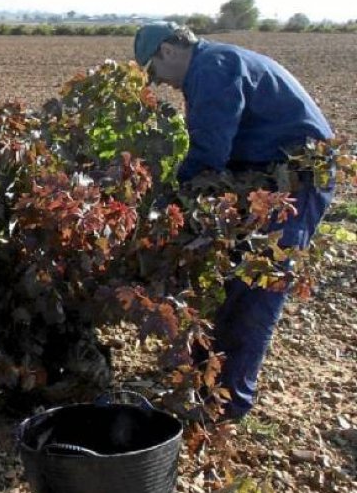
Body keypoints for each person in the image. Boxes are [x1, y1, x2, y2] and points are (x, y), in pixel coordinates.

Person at [134, 21, 334, 420]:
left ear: (168, 51)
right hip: (264, 176)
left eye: (154, 73)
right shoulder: (213, 63)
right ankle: (203, 378)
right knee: (225, 277)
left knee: (257, 284)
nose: (159, 83)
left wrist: (167, 200)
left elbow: (209, 151)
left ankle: (227, 405)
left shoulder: (213, 67)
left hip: (295, 181)